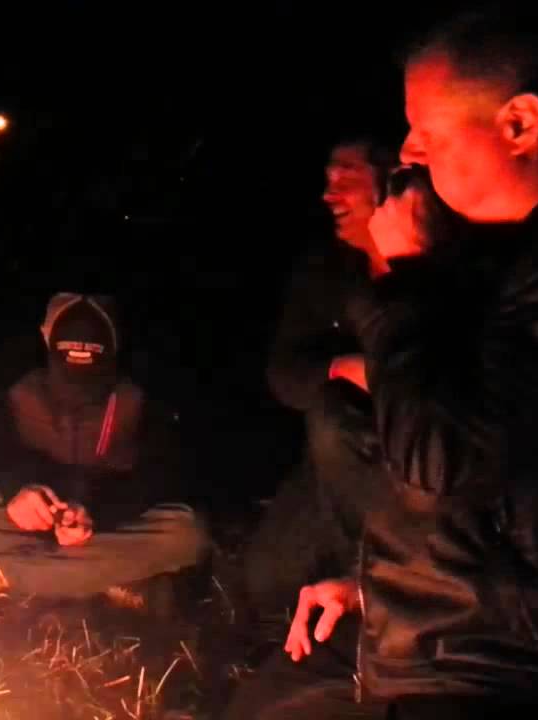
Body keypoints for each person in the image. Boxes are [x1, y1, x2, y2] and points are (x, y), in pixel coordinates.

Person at [273, 6, 538, 719]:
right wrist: (375, 586)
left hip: (507, 672)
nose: (407, 151)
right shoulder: (491, 262)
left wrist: (402, 283)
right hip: (432, 641)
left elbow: (447, 461)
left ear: (518, 123)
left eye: (424, 131)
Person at [0, 292, 208, 608]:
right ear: (45, 334)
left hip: (100, 527)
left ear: (116, 341)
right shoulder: (14, 386)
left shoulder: (143, 399)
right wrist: (19, 488)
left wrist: (95, 509)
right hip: (30, 522)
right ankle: (105, 577)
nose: (80, 341)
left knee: (187, 534)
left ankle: (1, 575)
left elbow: (158, 475)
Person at [244, 137, 396, 614]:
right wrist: (346, 367)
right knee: (267, 582)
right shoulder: (325, 269)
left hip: (417, 459)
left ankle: (381, 584)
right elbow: (284, 374)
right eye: (327, 180)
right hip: (339, 455)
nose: (329, 195)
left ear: (391, 181)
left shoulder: (439, 265)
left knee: (330, 409)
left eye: (345, 179)